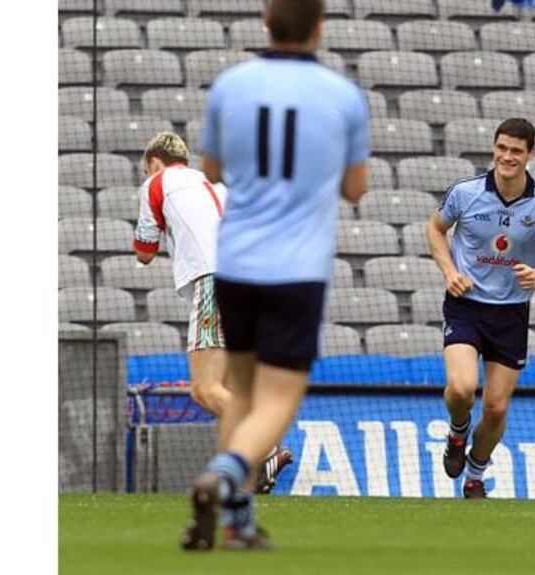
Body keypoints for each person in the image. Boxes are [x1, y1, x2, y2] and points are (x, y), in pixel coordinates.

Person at [181, 0, 369, 551]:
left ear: (266, 22)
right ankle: (222, 474)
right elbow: (355, 189)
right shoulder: (342, 96)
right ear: (319, 27)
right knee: (278, 400)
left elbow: (212, 170)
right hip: (296, 269)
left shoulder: (230, 85)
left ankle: (234, 519)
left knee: (239, 392)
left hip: (234, 262)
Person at [133, 132, 292, 495]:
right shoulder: (215, 183)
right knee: (230, 388)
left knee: (205, 389)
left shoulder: (156, 182)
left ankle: (266, 446)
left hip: (216, 281)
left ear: (154, 162)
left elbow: (144, 251)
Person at [429, 118, 535, 499]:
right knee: (460, 388)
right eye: (502, 148)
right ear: (494, 148)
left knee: (495, 408)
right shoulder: (466, 192)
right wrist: (449, 270)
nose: (507, 157)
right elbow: (435, 229)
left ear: (530, 155)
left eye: (516, 151)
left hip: (510, 313)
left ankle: (475, 475)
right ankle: (458, 431)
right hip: (465, 305)